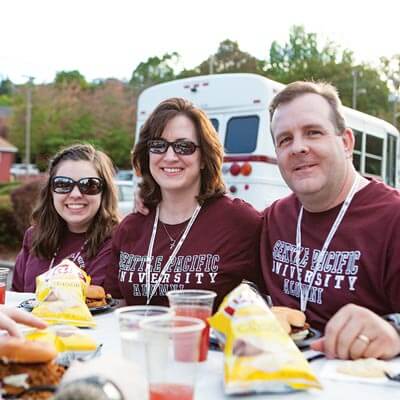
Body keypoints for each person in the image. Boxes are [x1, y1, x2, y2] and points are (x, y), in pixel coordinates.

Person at [261, 81, 400, 360]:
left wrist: (395, 330)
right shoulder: (272, 219)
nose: (298, 147)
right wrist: (151, 199)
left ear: (346, 142)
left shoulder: (393, 217)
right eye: (285, 139)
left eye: (313, 132)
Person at [105, 98, 263, 309]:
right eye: (158, 145)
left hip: (207, 341)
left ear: (205, 158)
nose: (170, 157)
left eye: (184, 146)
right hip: (141, 341)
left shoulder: (239, 221)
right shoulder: (131, 227)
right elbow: (117, 307)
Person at [12, 144, 120, 292]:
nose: (75, 194)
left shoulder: (117, 240)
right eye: (63, 184)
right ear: (50, 192)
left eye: (89, 185)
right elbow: (16, 298)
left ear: (104, 192)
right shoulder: (33, 236)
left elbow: (95, 303)